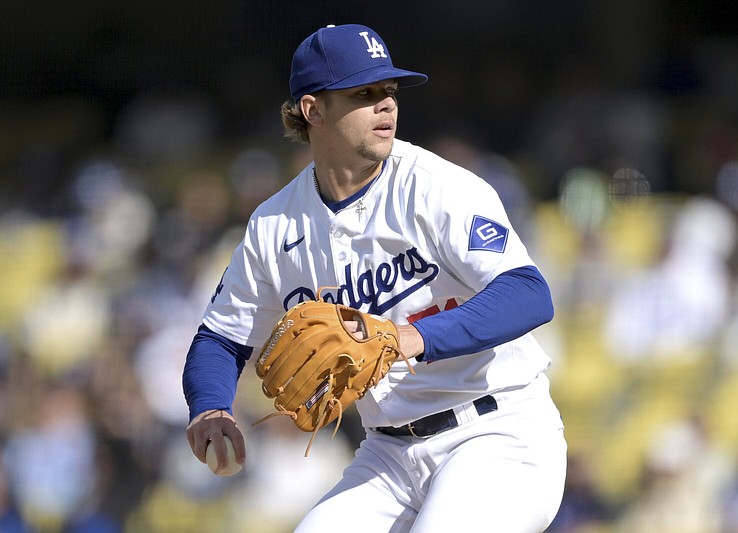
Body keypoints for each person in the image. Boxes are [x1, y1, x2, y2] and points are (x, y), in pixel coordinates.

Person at [182, 23, 567, 532]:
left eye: (389, 91)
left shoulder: (436, 186)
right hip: (388, 455)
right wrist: (210, 407)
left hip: (497, 432)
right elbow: (220, 337)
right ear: (312, 109)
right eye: (364, 93)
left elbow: (529, 294)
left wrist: (409, 337)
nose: (386, 105)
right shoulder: (274, 225)